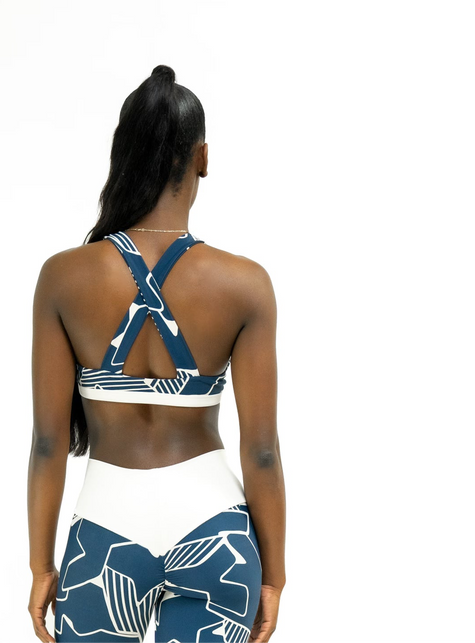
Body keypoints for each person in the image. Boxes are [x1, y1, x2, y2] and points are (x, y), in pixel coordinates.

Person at [27, 64, 285, 643]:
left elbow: (47, 442)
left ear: (123, 153)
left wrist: (42, 566)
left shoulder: (63, 278)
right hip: (215, 534)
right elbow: (262, 451)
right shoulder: (244, 284)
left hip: (103, 535)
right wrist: (274, 576)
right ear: (203, 158)